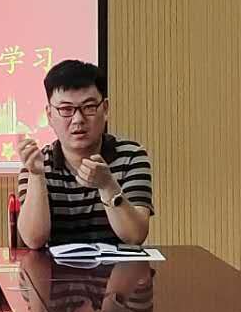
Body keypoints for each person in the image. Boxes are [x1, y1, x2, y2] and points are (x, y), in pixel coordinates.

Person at [14, 60, 153, 248]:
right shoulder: (37, 162)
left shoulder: (131, 156)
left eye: (88, 107)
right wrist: (37, 175)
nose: (78, 119)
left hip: (118, 267)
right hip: (54, 267)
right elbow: (34, 240)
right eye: (66, 109)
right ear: (50, 115)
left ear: (105, 109)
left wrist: (107, 185)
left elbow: (135, 236)